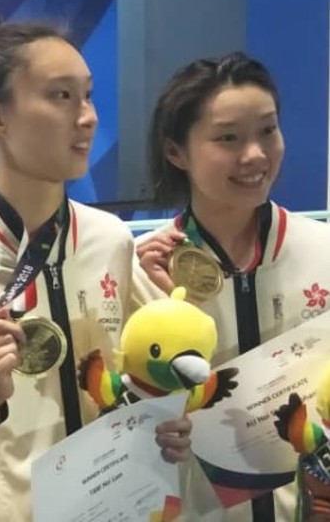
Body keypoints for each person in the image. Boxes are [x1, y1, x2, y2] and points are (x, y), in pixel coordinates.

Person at [0, 19, 192, 521]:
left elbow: (133, 385)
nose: (87, 117)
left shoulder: (109, 240)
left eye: (88, 96)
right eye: (61, 96)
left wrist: (164, 421)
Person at [135, 51, 330, 521]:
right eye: (228, 138)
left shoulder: (322, 249)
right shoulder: (142, 273)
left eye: (268, 130)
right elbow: (132, 420)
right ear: (175, 151)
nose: (256, 155)